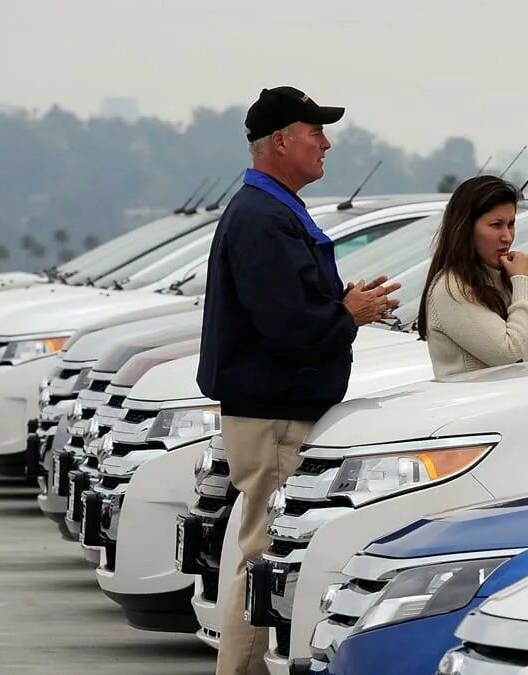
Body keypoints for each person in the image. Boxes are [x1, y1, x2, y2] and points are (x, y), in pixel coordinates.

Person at [196, 86, 399, 675]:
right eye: (315, 133)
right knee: (266, 556)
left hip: (274, 410)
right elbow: (287, 327)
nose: (326, 144)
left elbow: (284, 308)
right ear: (281, 142)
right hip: (274, 416)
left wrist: (341, 305)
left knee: (263, 554)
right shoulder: (264, 217)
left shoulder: (271, 210)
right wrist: (346, 314)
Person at [417, 175, 528, 377]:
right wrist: (523, 282)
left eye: (511, 224)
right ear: (465, 228)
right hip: (477, 398)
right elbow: (514, 357)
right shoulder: (452, 288)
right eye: (496, 225)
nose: (507, 237)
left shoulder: (503, 275)